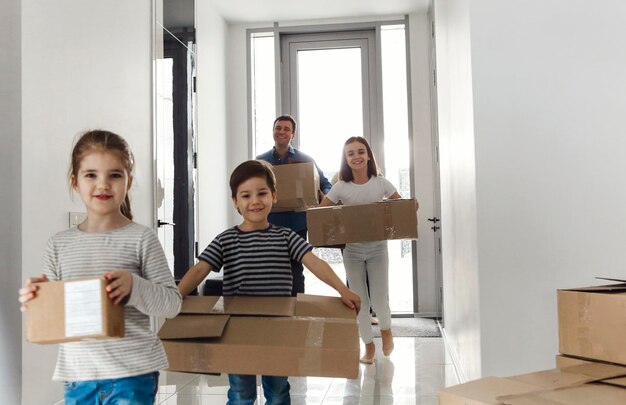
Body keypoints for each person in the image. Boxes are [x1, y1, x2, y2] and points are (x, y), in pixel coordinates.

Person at [18, 130, 182, 404]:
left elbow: (172, 305)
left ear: (129, 181)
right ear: (75, 182)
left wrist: (134, 287)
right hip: (78, 375)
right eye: (91, 175)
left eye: (115, 175)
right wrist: (37, 299)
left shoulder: (141, 238)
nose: (103, 184)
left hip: (133, 373)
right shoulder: (59, 245)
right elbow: (54, 319)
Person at [178, 159, 360, 405]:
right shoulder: (226, 239)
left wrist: (342, 289)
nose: (255, 201)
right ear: (236, 202)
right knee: (241, 395)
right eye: (246, 195)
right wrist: (175, 295)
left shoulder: (285, 236)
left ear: (274, 196)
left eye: (262, 193)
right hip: (237, 331)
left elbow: (314, 263)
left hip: (278, 330)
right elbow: (201, 269)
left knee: (277, 393)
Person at [320, 136, 416, 365]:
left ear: (369, 155)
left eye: (360, 151)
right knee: (359, 301)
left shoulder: (381, 183)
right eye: (351, 153)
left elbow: (400, 208)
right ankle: (368, 346)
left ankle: (386, 330)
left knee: (380, 300)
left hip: (377, 250)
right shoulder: (341, 187)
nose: (356, 156)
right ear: (345, 159)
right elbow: (320, 213)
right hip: (352, 252)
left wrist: (412, 206)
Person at [256, 114, 332, 296]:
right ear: (273, 131)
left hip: (297, 223)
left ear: (293, 135)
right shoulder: (261, 161)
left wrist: (325, 199)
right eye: (278, 128)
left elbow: (325, 183)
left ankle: (298, 312)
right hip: (270, 223)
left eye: (286, 129)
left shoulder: (305, 160)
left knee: (296, 268)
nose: (281, 132)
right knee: (271, 268)